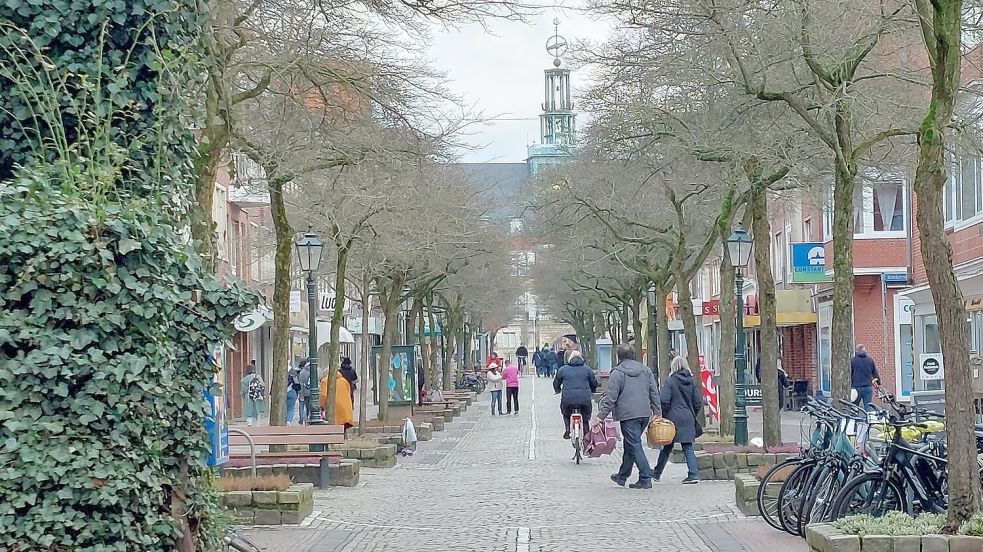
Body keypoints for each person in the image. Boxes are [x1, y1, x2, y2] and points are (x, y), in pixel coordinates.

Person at [595, 344, 662, 489]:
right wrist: (657, 412)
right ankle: (622, 475)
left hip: (628, 414)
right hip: (644, 413)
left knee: (634, 444)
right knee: (630, 444)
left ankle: (645, 476)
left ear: (619, 356)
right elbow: (654, 392)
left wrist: (600, 417)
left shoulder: (617, 373)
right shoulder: (646, 370)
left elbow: (611, 398)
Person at [652, 356, 703, 484]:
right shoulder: (692, 381)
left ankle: (657, 473)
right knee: (687, 446)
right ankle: (693, 474)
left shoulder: (670, 382)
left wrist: (664, 415)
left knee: (667, 447)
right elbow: (698, 402)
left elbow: (664, 400)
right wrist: (692, 414)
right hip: (688, 417)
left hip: (672, 419)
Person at [553, 349, 598, 439]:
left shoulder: (563, 369)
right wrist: (593, 390)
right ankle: (586, 436)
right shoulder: (587, 369)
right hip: (584, 399)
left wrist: (558, 390)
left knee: (566, 413)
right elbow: (594, 383)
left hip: (568, 399)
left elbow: (556, 382)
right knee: (585, 419)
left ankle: (567, 430)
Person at [851, 344, 880, 410]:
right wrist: (878, 383)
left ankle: (855, 420)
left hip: (856, 387)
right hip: (868, 386)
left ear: (856, 351)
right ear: (864, 350)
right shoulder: (870, 360)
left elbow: (850, 374)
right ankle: (870, 419)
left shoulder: (853, 360)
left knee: (855, 407)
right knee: (868, 406)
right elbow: (875, 373)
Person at [297, 359, 311, 424]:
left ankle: (301, 419)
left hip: (303, 391)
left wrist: (300, 393)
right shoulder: (315, 370)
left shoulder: (302, 372)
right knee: (308, 407)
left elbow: (300, 383)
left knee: (301, 406)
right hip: (311, 392)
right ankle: (307, 419)